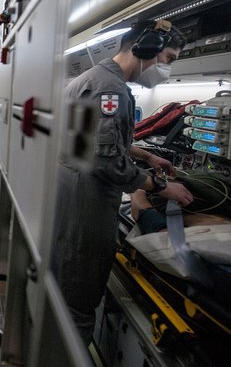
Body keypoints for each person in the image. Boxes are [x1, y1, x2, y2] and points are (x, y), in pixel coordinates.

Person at [52, 19, 194, 345]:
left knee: (64, 296)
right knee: (79, 306)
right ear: (145, 48)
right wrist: (158, 186)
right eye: (169, 59)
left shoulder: (89, 79)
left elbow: (90, 139)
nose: (167, 69)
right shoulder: (110, 90)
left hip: (69, 200)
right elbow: (105, 161)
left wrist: (144, 154)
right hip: (87, 212)